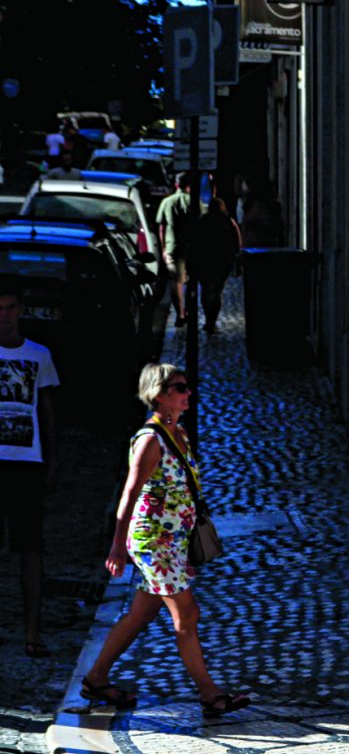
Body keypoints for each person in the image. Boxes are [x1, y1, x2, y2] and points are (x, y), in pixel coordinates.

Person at [79, 364, 250, 718]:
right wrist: (118, 545)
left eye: (188, 386)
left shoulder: (178, 433)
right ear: (159, 394)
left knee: (141, 613)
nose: (188, 393)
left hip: (174, 540)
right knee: (187, 613)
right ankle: (210, 695)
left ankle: (96, 678)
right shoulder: (150, 440)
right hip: (155, 542)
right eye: (180, 387)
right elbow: (130, 493)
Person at [0, 278, 58, 657]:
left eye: (9, 308)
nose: (3, 316)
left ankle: (33, 629)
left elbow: (48, 412)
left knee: (31, 548)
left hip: (27, 463)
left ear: (20, 311)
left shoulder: (39, 355)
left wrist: (53, 461)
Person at [192, 195, 243, 334]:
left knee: (205, 289)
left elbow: (194, 241)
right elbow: (237, 242)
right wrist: (236, 260)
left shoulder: (202, 221)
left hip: (204, 261)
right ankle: (211, 321)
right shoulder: (228, 221)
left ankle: (209, 320)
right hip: (222, 261)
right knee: (216, 291)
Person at [155, 173, 197, 328]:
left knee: (176, 281)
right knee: (192, 280)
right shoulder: (194, 201)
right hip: (192, 247)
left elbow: (161, 227)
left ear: (176, 184)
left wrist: (164, 249)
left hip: (173, 246)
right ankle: (190, 310)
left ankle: (180, 313)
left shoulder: (167, 202)